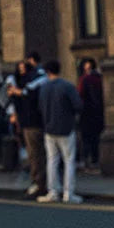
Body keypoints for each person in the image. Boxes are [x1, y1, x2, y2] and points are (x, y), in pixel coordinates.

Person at [37, 59, 84, 203]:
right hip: (66, 128)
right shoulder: (67, 86)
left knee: (52, 160)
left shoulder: (43, 88)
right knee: (69, 161)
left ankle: (53, 192)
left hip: (49, 128)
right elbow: (78, 105)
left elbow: (40, 107)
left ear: (47, 72)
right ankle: (68, 193)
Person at [8, 51, 48, 198]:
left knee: (35, 154)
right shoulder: (30, 79)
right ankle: (39, 182)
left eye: (24, 66)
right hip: (30, 122)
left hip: (33, 122)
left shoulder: (35, 80)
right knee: (36, 154)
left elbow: (28, 93)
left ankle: (39, 183)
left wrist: (18, 92)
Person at [77, 57, 105, 172]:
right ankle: (95, 160)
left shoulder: (85, 79)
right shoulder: (100, 78)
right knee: (95, 138)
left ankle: (87, 162)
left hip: (87, 112)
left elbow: (80, 93)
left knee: (86, 138)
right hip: (98, 111)